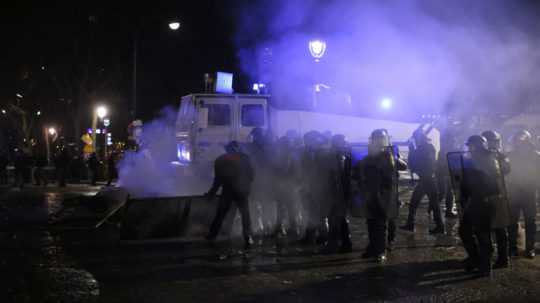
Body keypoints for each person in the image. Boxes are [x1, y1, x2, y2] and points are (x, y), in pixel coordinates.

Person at [355, 129, 407, 262]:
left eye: (381, 139)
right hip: (370, 194)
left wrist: (394, 157)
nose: (379, 141)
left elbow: (403, 166)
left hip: (385, 195)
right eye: (376, 138)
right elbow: (361, 168)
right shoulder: (370, 154)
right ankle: (373, 247)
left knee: (381, 224)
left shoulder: (389, 153)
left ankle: (381, 250)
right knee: (371, 222)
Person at [458, 135, 504, 276]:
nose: (469, 149)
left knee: (483, 235)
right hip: (476, 200)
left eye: (471, 146)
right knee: (465, 230)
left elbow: (483, 179)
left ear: (476, 146)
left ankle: (485, 267)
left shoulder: (486, 159)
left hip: (484, 201)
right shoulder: (478, 158)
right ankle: (476, 259)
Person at [206, 141, 255, 249]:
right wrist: (246, 187)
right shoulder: (245, 158)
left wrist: (211, 193)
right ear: (237, 148)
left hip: (228, 191)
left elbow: (217, 180)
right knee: (245, 215)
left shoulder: (220, 160)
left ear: (227, 149)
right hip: (242, 191)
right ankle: (248, 237)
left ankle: (212, 235)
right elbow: (251, 175)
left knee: (221, 214)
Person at [401, 129, 445, 234]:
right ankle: (411, 224)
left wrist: (412, 151)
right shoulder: (427, 148)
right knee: (418, 203)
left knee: (430, 204)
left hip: (428, 180)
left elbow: (414, 164)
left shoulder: (424, 148)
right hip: (427, 180)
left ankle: (439, 226)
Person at [507, 130, 540, 259]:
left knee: (530, 222)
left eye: (521, 141)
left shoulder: (536, 156)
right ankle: (512, 248)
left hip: (529, 193)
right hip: (514, 193)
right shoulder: (510, 155)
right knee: (512, 222)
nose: (518, 144)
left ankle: (530, 248)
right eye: (517, 142)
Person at [482, 130, 511, 268]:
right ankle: (498, 257)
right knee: (493, 229)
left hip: (496, 195)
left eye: (496, 141)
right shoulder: (488, 156)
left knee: (497, 229)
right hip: (492, 195)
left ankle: (501, 258)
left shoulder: (498, 156)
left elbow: (506, 170)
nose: (496, 143)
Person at [321, 134, 353, 253]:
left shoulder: (336, 157)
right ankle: (346, 244)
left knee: (334, 220)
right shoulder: (345, 156)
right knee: (342, 219)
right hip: (340, 193)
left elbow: (336, 178)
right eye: (342, 142)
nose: (344, 144)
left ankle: (333, 245)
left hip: (337, 194)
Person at [299, 130, 329, 244]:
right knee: (311, 213)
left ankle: (323, 236)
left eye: (308, 140)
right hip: (310, 186)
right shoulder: (308, 152)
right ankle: (310, 236)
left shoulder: (323, 153)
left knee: (320, 214)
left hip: (320, 188)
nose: (306, 143)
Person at [246, 127, 275, 236]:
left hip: (261, 179)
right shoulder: (267, 147)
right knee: (260, 205)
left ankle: (263, 227)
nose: (254, 138)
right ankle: (263, 227)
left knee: (261, 205)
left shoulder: (260, 148)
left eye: (255, 135)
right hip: (259, 180)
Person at [271, 136, 301, 237]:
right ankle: (287, 228)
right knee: (288, 209)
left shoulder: (288, 156)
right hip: (287, 187)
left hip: (287, 187)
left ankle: (285, 228)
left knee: (286, 209)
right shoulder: (290, 155)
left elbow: (291, 172)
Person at [437, 129, 459, 218]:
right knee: (443, 194)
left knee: (448, 194)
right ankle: (434, 207)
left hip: (447, 175)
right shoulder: (447, 150)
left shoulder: (445, 150)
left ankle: (448, 211)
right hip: (445, 175)